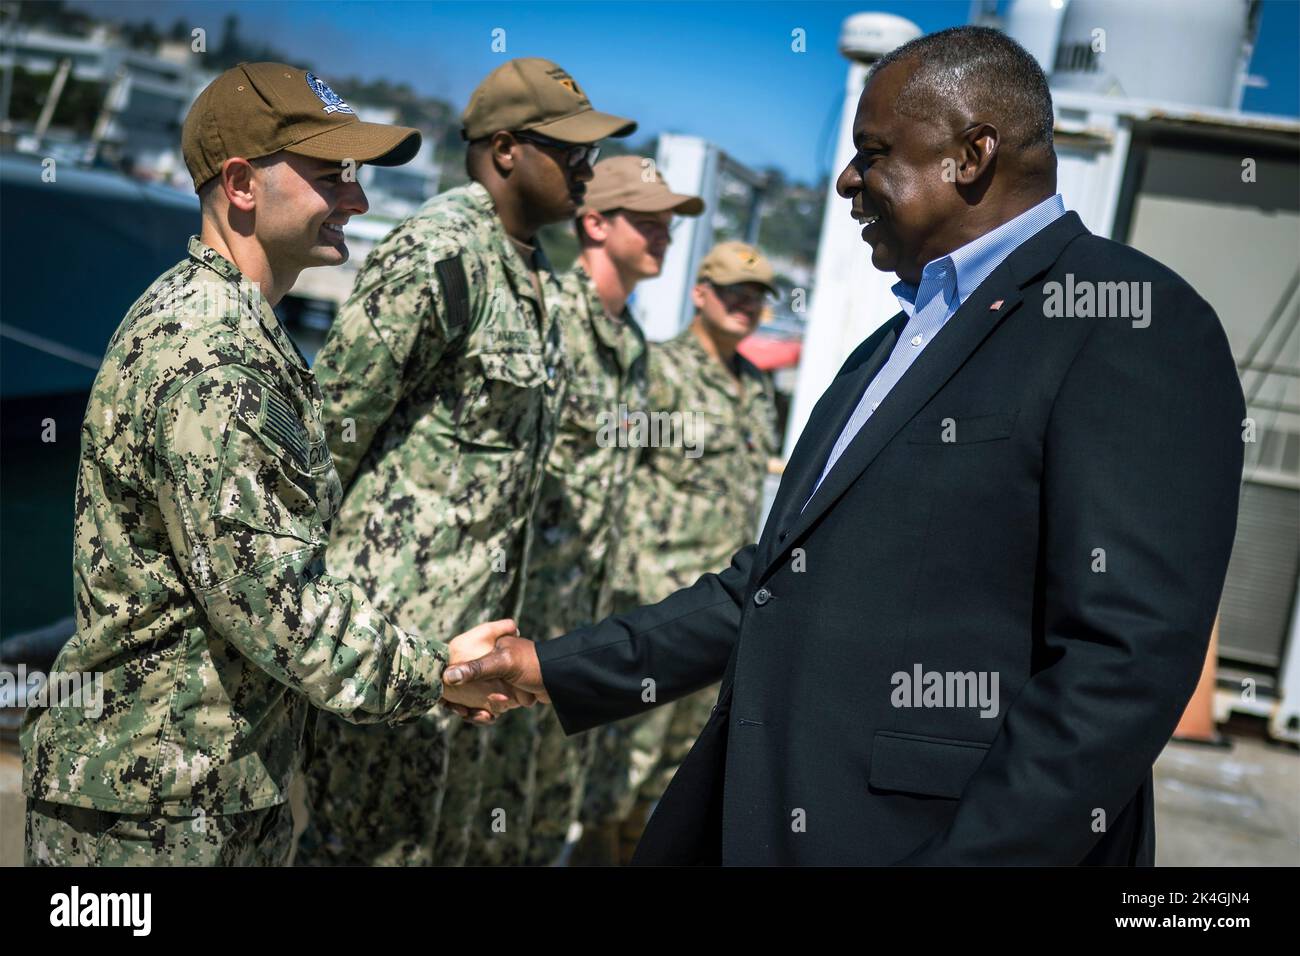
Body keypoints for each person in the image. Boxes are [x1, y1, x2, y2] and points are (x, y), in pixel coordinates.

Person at [446, 26, 1246, 865]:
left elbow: (1121, 667)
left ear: (970, 155)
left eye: (873, 152)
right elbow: (768, 586)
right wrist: (549, 667)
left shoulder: (1127, 322)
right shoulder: (891, 346)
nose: (845, 181)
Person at [21, 63, 521, 867]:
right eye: (332, 176)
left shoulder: (233, 329)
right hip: (153, 817)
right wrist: (438, 672)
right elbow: (276, 605)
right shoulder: (214, 358)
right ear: (242, 182)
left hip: (192, 791)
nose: (356, 200)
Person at [298, 57, 634, 866]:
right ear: (507, 149)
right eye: (572, 149)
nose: (589, 166)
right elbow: (327, 436)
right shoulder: (439, 252)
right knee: (360, 850)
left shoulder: (532, 272)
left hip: (469, 660)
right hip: (392, 642)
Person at [515, 155, 703, 866]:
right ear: (594, 223)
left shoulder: (632, 348)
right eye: (647, 222)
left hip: (581, 632)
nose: (664, 236)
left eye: (669, 225)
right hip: (520, 627)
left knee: (547, 824)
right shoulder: (549, 321)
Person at [574, 241, 780, 865]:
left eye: (757, 297)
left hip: (719, 619)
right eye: (732, 292)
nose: (745, 305)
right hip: (654, 603)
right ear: (700, 293)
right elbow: (608, 471)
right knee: (618, 771)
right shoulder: (656, 370)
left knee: (678, 772)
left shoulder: (757, 386)